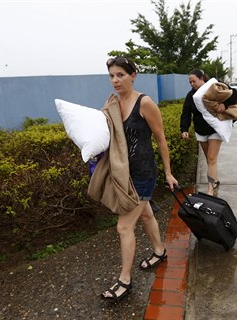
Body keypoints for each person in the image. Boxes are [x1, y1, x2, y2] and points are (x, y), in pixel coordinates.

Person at [100, 56, 178, 301]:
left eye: (120, 75)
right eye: (112, 75)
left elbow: (161, 138)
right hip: (123, 174)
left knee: (124, 227)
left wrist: (167, 172)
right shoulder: (112, 103)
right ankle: (159, 251)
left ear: (133, 75)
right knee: (146, 214)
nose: (115, 80)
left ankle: (125, 281)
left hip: (144, 173)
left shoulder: (144, 103)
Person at [180, 69, 224, 195]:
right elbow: (186, 113)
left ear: (202, 78)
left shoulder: (214, 88)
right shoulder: (191, 96)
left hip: (215, 129)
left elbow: (232, 94)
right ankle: (215, 179)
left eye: (194, 81)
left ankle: (210, 189)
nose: (192, 84)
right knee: (210, 159)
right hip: (201, 131)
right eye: (190, 82)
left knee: (211, 159)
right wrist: (184, 129)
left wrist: (225, 106)